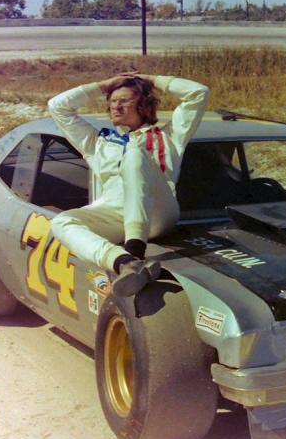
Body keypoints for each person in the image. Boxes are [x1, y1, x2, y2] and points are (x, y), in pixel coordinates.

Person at [47, 73, 210, 296]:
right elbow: (57, 106)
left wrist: (149, 79)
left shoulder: (169, 137)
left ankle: (135, 248)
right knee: (61, 222)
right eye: (113, 101)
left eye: (124, 101)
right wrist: (103, 85)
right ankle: (124, 262)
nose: (116, 106)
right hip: (116, 215)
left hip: (159, 212)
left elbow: (198, 93)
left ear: (143, 105)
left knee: (134, 152)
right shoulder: (98, 142)